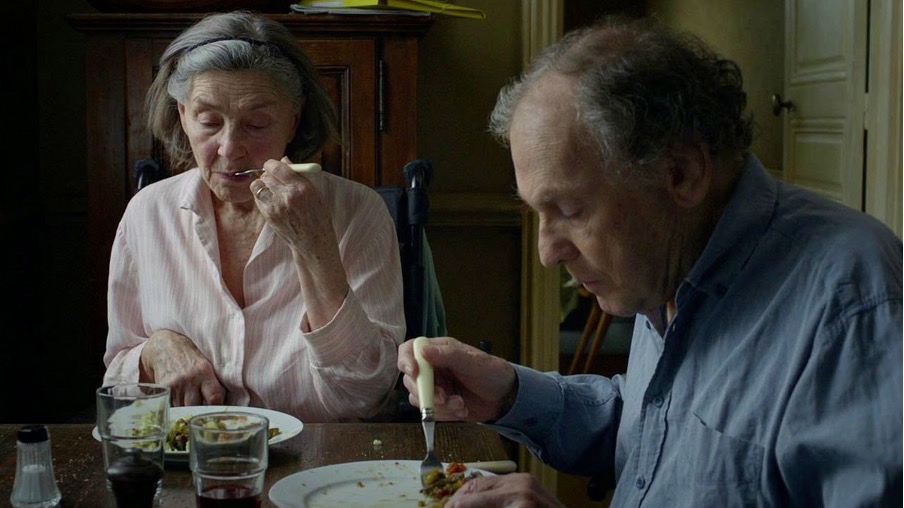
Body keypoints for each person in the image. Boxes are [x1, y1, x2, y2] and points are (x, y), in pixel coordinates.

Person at [398, 16, 902, 507]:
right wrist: (508, 393)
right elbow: (656, 429)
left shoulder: (855, 304)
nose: (547, 253)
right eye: (537, 214)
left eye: (570, 210)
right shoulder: (667, 254)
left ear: (681, 173)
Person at [102, 10, 406, 423]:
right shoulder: (147, 213)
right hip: (189, 453)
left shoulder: (358, 213)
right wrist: (154, 350)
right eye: (209, 122)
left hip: (322, 451)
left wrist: (313, 245)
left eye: (257, 124)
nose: (230, 148)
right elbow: (116, 380)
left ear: (293, 121)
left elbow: (366, 395)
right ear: (183, 115)